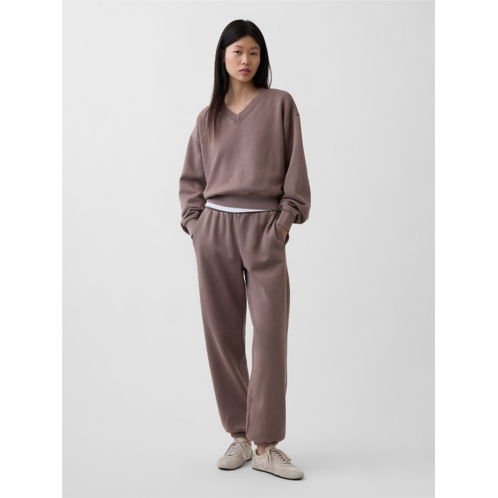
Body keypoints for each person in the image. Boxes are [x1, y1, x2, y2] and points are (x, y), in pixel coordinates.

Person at [179, 19, 311, 481]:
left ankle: (267, 444)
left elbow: (296, 171)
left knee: (270, 334)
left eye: (253, 52)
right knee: (223, 336)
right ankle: (239, 434)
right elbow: (191, 182)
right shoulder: (207, 118)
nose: (245, 60)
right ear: (223, 57)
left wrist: (283, 223)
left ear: (262, 58)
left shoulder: (280, 104)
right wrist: (196, 227)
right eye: (237, 51)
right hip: (215, 230)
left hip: (264, 229)